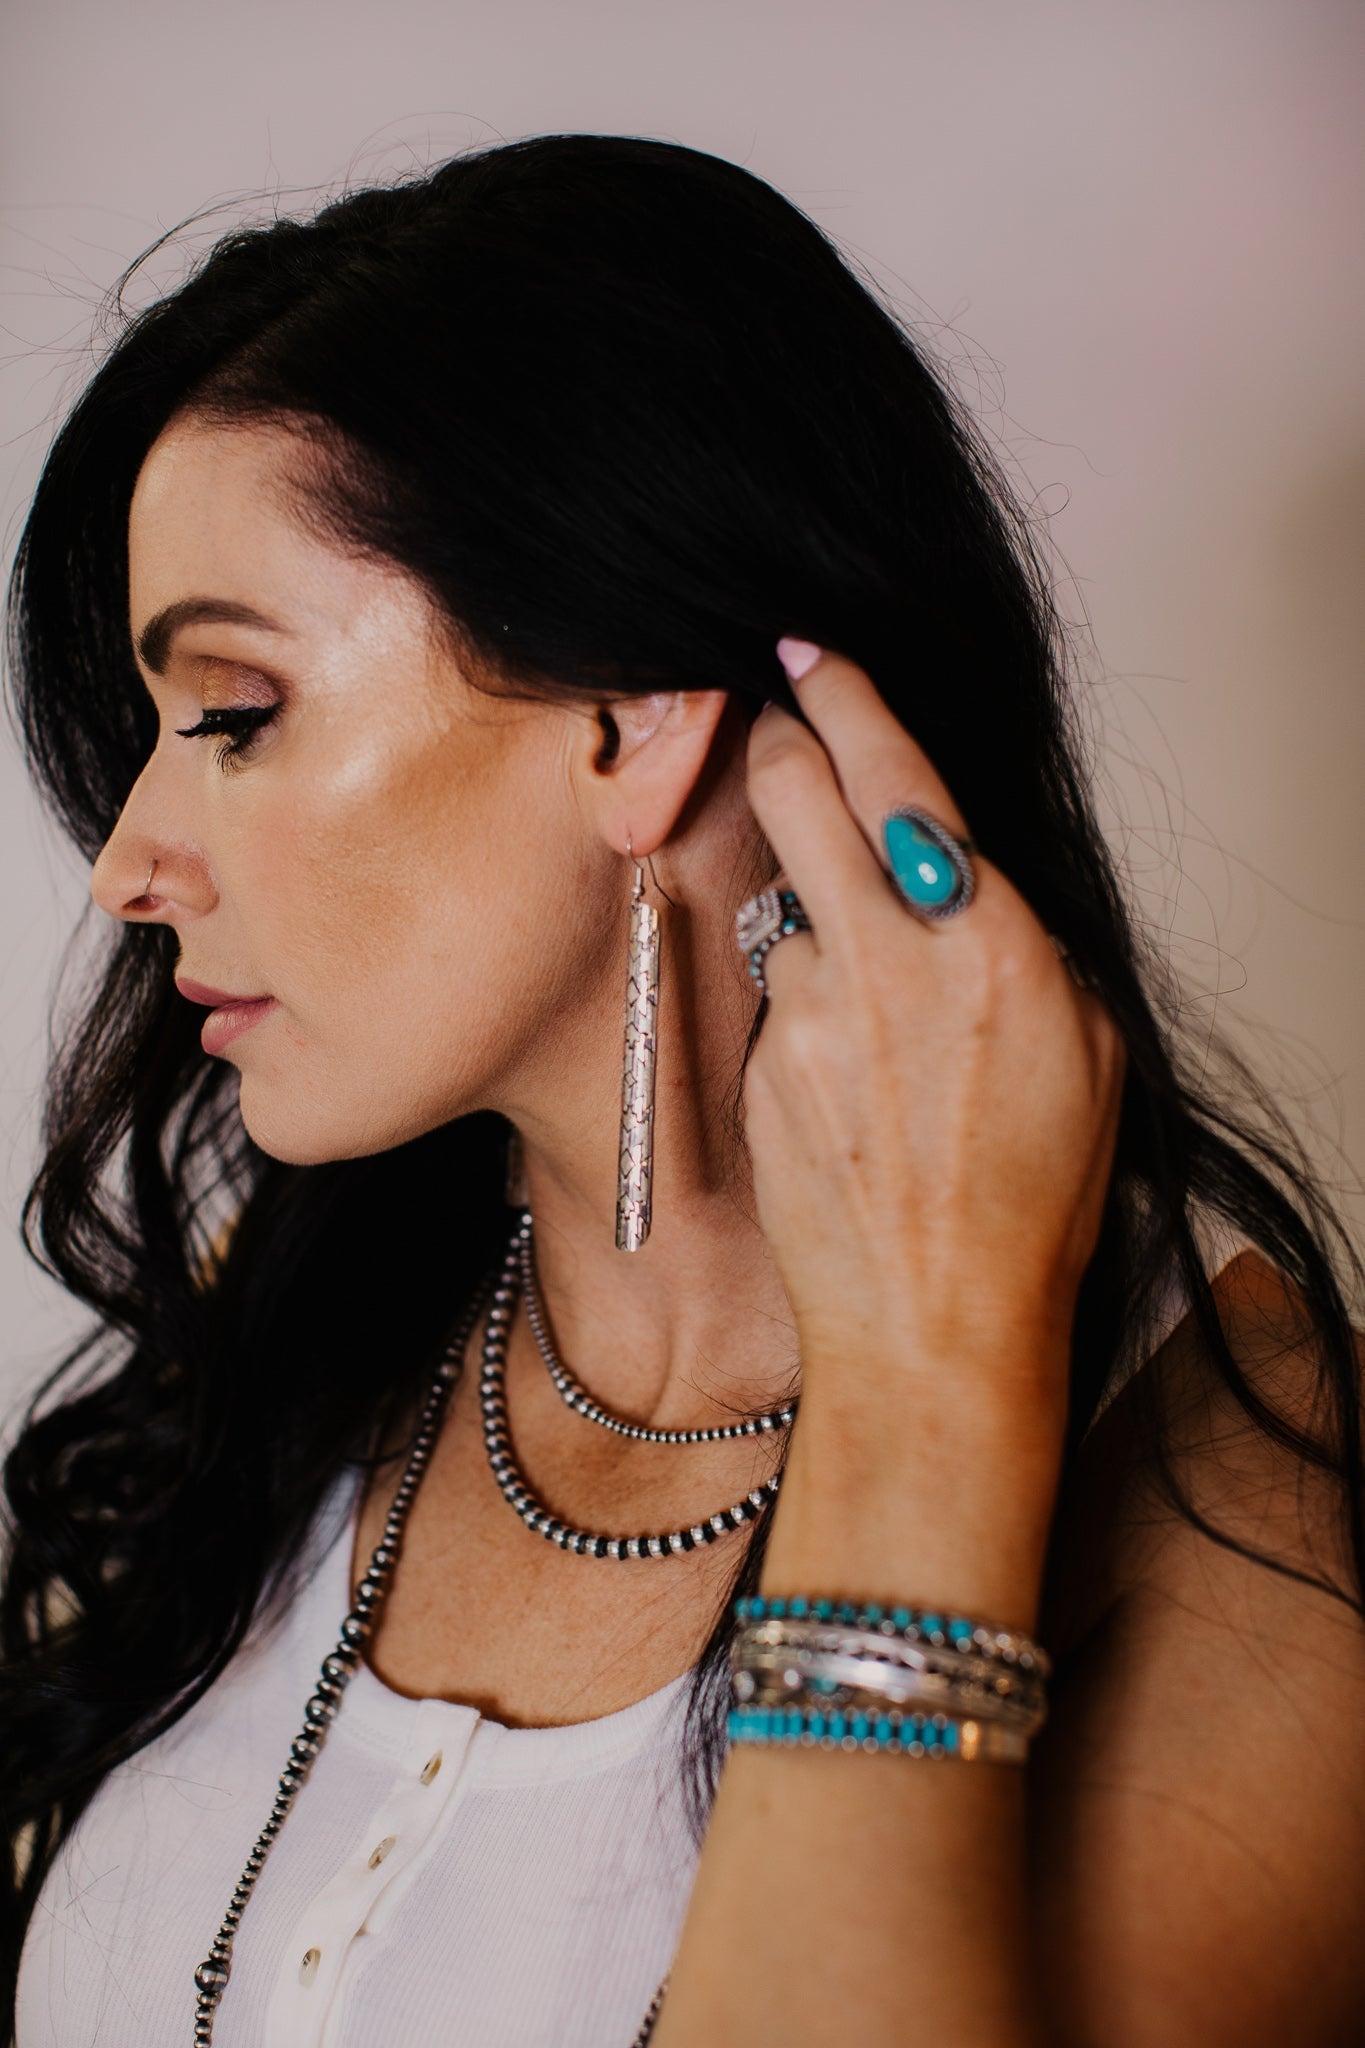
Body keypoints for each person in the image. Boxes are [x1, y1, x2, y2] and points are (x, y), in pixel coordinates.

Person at [1, 132, 1362, 2048]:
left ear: (631, 725)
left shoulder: (1245, 1493)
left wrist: (928, 1397)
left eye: (234, 712)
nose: (126, 865)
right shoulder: (303, 1339)